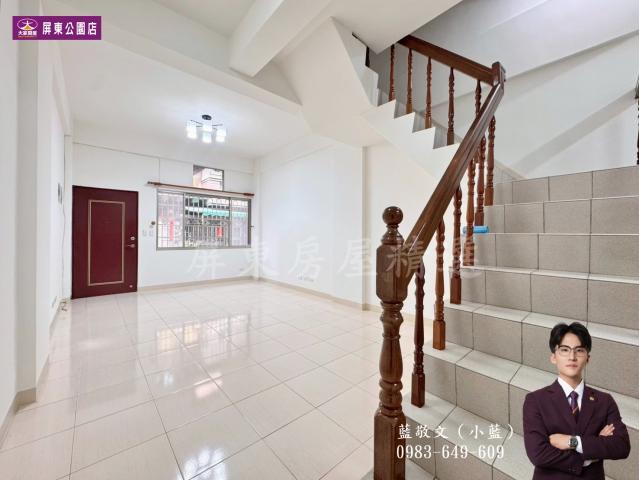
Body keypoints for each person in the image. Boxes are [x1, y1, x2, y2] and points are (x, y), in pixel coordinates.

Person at [523, 322, 631, 479]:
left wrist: (573, 442)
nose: (572, 357)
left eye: (579, 350)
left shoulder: (604, 401)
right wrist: (591, 452)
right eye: (564, 350)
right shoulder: (536, 400)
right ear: (553, 357)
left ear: (588, 358)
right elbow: (538, 454)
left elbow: (621, 446)